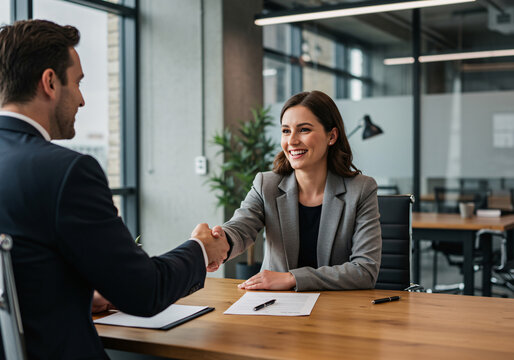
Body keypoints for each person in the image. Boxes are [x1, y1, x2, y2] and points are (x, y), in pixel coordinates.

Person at [0, 20, 229, 359]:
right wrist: (202, 249)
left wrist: (77, 290)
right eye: (77, 83)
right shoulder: (65, 171)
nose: (80, 99)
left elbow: (22, 274)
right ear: (49, 82)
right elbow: (144, 292)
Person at [213, 90, 382, 291]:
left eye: (303, 130)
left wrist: (293, 278)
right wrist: (218, 243)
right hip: (275, 306)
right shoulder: (266, 184)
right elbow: (240, 229)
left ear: (332, 136)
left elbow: (364, 271)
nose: (291, 141)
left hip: (337, 311)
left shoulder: (361, 190)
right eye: (286, 131)